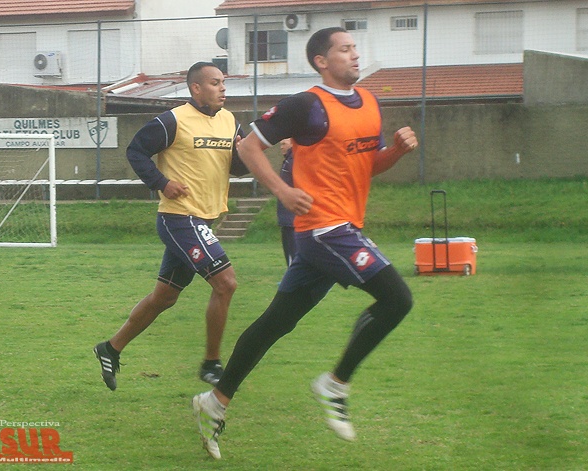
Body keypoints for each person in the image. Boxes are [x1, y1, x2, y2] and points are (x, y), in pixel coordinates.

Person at [192, 27, 417, 460]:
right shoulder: (306, 105)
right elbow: (249, 145)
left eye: (355, 49)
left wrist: (396, 153)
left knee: (276, 322)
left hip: (343, 226)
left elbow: (366, 167)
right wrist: (282, 190)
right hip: (323, 229)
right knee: (397, 299)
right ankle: (335, 384)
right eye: (345, 49)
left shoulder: (370, 103)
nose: (354, 55)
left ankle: (214, 401)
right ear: (321, 61)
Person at [94, 61, 248, 391]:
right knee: (226, 283)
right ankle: (211, 363)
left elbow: (236, 167)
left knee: (164, 297)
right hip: (180, 219)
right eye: (215, 83)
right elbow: (136, 150)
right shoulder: (173, 120)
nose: (223, 88)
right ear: (196, 88)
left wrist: (246, 151)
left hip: (204, 219)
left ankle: (110, 348)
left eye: (223, 83)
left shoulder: (230, 121)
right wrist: (162, 182)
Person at [276, 138, 296, 267]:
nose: (281, 147)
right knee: (289, 252)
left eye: (284, 143)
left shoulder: (294, 161)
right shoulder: (288, 161)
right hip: (286, 217)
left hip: (292, 218)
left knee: (293, 253)